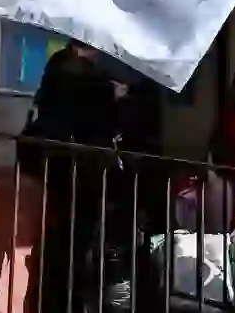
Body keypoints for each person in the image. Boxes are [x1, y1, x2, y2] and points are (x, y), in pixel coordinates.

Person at [22, 40, 158, 312]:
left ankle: (60, 300)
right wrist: (117, 95)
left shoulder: (57, 72)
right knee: (86, 245)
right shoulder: (85, 78)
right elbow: (102, 118)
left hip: (62, 169)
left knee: (67, 243)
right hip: (83, 171)